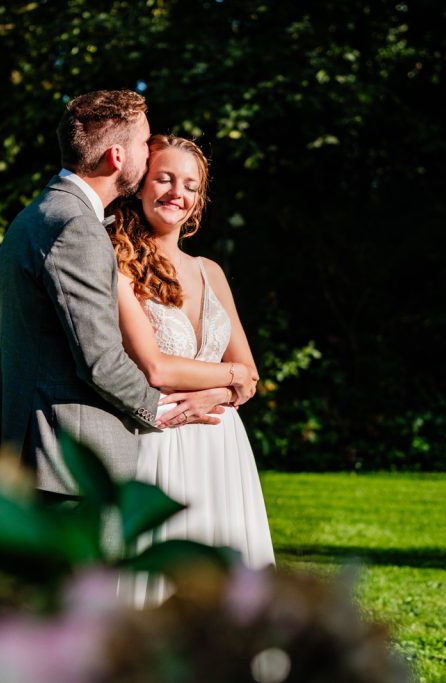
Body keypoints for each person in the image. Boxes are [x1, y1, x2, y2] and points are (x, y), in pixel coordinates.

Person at [0, 92, 249, 508]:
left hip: (46, 452)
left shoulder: (41, 214)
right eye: (145, 145)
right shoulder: (77, 228)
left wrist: (229, 385)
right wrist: (165, 411)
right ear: (116, 156)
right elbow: (101, 361)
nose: (150, 155)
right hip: (66, 459)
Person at [109, 134, 274, 606]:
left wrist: (222, 392)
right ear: (140, 185)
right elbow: (156, 367)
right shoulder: (119, 262)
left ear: (199, 199)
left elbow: (251, 371)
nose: (175, 193)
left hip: (223, 446)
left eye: (189, 184)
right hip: (159, 442)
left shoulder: (211, 272)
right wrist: (232, 380)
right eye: (163, 178)